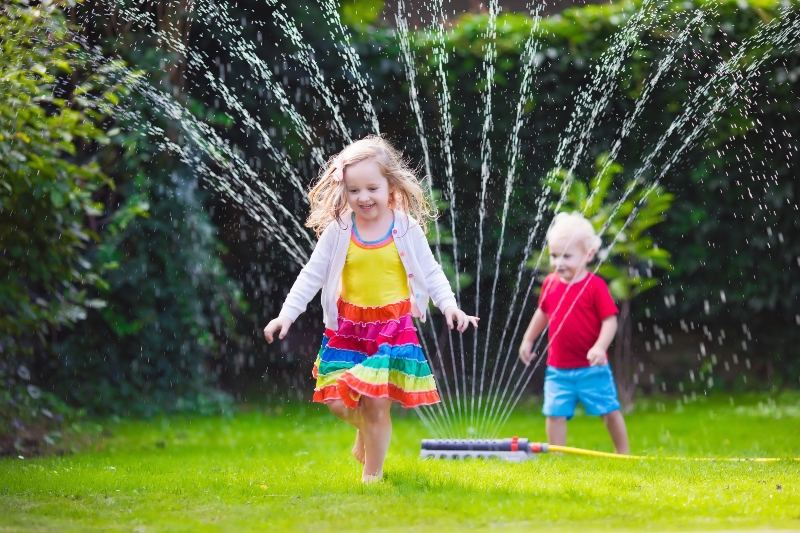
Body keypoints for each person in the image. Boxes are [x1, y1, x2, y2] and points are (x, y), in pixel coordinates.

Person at [263, 135, 479, 482]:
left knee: (377, 403)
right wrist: (285, 315)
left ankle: (372, 477)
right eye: (354, 190)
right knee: (336, 401)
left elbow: (431, 271)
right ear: (344, 192)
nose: (363, 197)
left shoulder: (405, 228)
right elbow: (311, 275)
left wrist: (451, 307)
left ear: (390, 186)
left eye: (372, 188)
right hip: (347, 329)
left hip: (392, 330)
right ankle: (367, 431)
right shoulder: (339, 230)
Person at [518, 212, 629, 454]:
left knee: (609, 411)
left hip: (592, 368)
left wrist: (600, 347)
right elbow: (542, 313)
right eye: (555, 256)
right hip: (558, 368)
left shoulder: (595, 286)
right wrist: (528, 339)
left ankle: (623, 453)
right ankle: (558, 455)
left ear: (588, 255)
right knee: (554, 413)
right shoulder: (550, 283)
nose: (559, 263)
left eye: (567, 256)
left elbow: (610, 321)